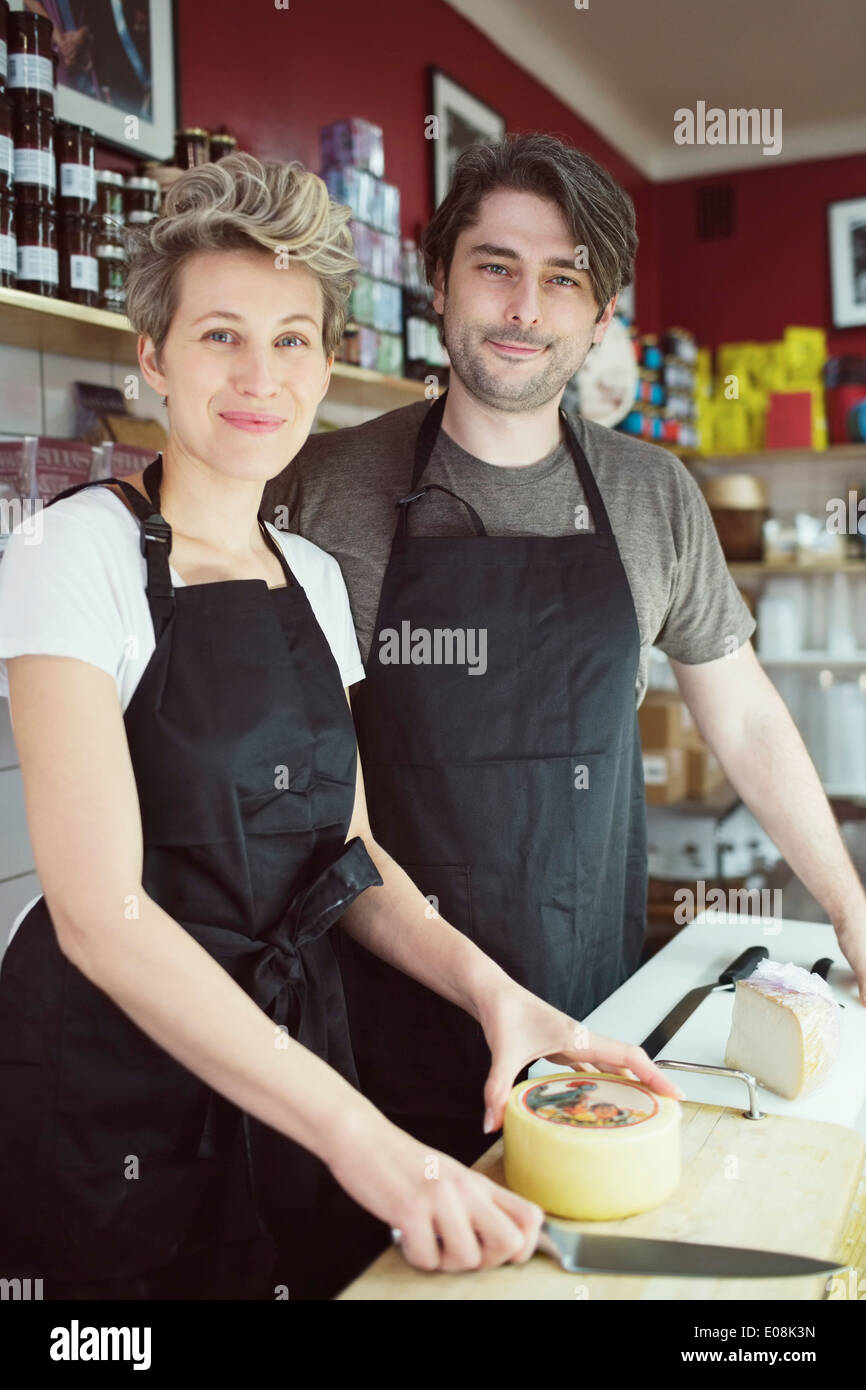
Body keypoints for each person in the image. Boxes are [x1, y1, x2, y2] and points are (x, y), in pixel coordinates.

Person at [0, 153, 680, 1302]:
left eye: (292, 339)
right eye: (219, 335)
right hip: (116, 1087)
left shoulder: (311, 572)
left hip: (295, 1067)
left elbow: (349, 861)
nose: (258, 374)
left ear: (328, 365)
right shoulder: (71, 553)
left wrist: (496, 996)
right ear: (153, 356)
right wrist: (368, 1140)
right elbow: (100, 918)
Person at [262, 132, 866, 1171]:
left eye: (562, 280)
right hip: (362, 1032)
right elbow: (283, 781)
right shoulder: (318, 489)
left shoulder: (652, 494)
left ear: (599, 316)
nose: (522, 309)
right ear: (437, 276)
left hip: (594, 1020)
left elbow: (745, 713)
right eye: (494, 266)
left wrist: (850, 906)